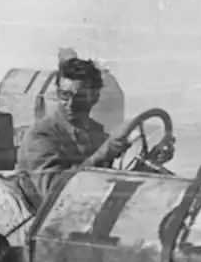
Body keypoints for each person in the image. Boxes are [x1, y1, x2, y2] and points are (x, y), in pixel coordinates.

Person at [18, 57, 130, 202]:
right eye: (64, 95)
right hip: (47, 219)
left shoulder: (95, 133)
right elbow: (55, 193)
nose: (70, 104)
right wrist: (100, 156)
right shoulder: (41, 136)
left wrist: (149, 162)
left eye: (80, 97)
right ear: (57, 94)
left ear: (94, 98)